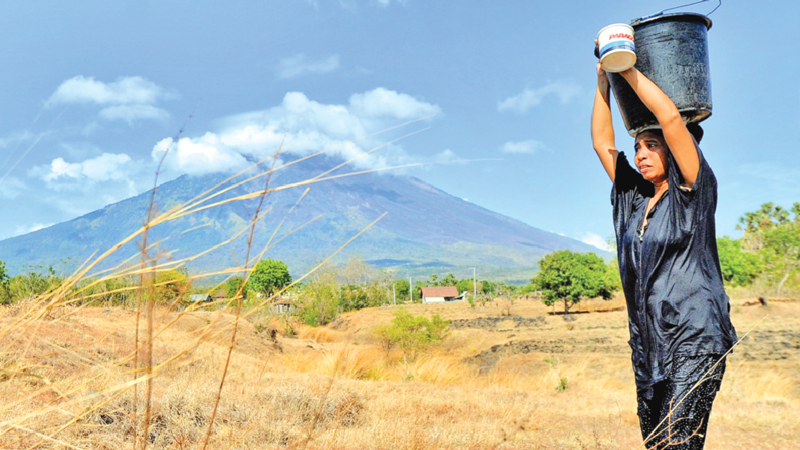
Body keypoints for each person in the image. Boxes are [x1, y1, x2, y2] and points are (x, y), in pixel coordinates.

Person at [591, 44, 737, 450]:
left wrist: (628, 69)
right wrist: (603, 83)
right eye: (638, 147)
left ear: (675, 150)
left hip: (694, 337)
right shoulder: (634, 199)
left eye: (651, 146)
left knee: (678, 444)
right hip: (648, 345)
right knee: (656, 445)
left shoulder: (692, 190)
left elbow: (671, 118)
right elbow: (603, 143)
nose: (640, 154)